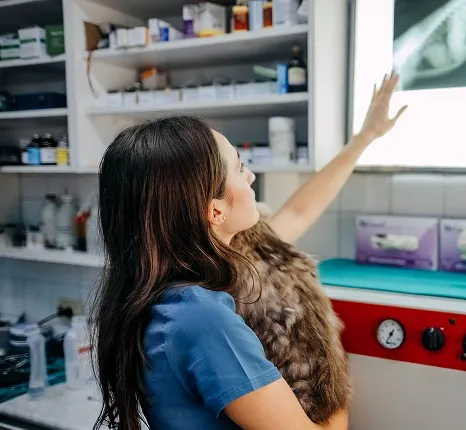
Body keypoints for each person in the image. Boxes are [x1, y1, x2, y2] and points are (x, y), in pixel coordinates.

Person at [91, 74, 407, 430]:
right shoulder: (202, 319)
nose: (252, 176)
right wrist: (332, 383)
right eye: (240, 168)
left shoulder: (160, 293)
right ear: (214, 211)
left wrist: (364, 138)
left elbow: (297, 213)